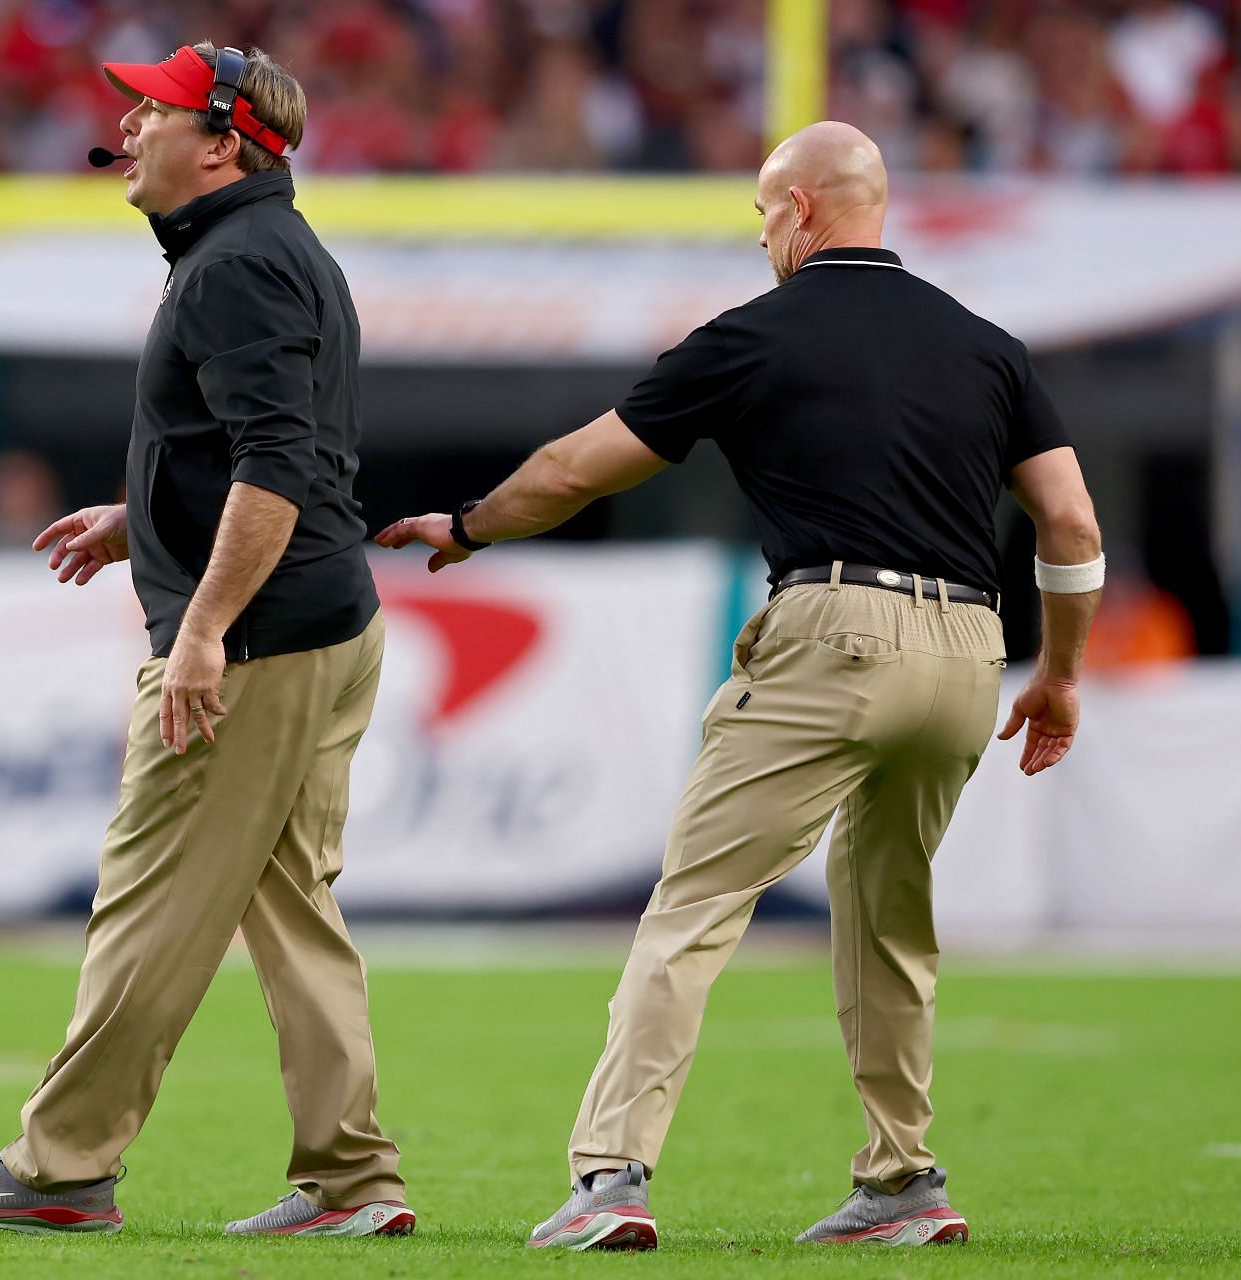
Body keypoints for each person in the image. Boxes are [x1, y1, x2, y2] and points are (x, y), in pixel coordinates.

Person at [377, 121, 1102, 1251]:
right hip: (970, 648)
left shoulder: (753, 337)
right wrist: (1057, 672)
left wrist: (468, 525)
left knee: (696, 905)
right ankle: (903, 1178)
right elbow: (1070, 520)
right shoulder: (987, 345)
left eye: (764, 211)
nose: (760, 233)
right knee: (891, 920)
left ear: (803, 210)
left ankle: (611, 1173)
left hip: (834, 631)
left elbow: (574, 468)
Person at [0, 43, 413, 1241]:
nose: (130, 123)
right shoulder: (264, 251)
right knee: (294, 912)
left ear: (225, 142)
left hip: (257, 642)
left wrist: (202, 627)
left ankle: (61, 1163)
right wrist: (140, 513)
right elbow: (261, 447)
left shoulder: (236, 265)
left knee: (150, 900)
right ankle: (353, 1180)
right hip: (319, 623)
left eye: (157, 107)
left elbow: (279, 467)